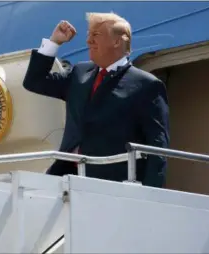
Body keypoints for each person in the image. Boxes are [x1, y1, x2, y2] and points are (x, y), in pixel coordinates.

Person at [22, 12, 170, 187]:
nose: (88, 41)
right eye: (88, 35)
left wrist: (150, 196)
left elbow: (157, 147)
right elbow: (35, 82)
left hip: (112, 186)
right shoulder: (79, 73)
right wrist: (54, 42)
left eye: (96, 35)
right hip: (65, 178)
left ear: (117, 41)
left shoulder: (146, 85)